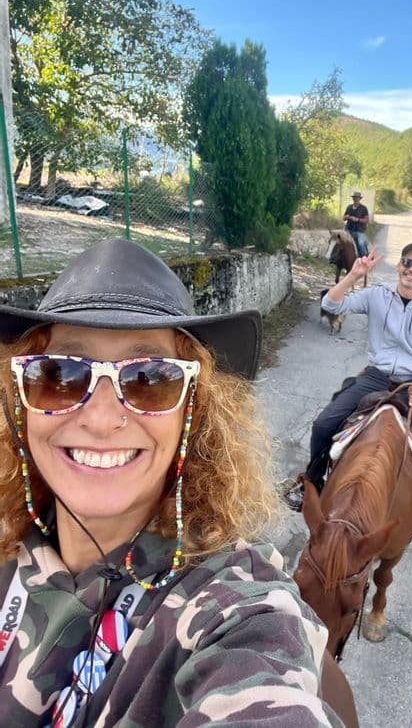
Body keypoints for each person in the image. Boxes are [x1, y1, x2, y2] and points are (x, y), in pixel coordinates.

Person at [0, 238, 343, 726]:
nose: (100, 419)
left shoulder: (233, 612)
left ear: (194, 413)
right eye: (60, 374)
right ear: (21, 402)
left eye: (149, 379)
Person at [284, 242, 412, 553]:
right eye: (407, 263)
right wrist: (354, 275)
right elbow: (332, 306)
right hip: (376, 376)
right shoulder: (377, 295)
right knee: (322, 424)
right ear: (400, 266)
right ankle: (312, 483)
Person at [343, 191, 369, 257]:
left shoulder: (363, 208)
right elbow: (343, 218)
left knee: (360, 244)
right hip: (348, 229)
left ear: (360, 199)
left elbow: (366, 220)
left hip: (359, 231)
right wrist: (347, 217)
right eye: (354, 198)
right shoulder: (349, 207)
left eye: (357, 198)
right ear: (353, 198)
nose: (355, 199)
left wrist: (357, 219)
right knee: (340, 242)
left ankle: (364, 258)